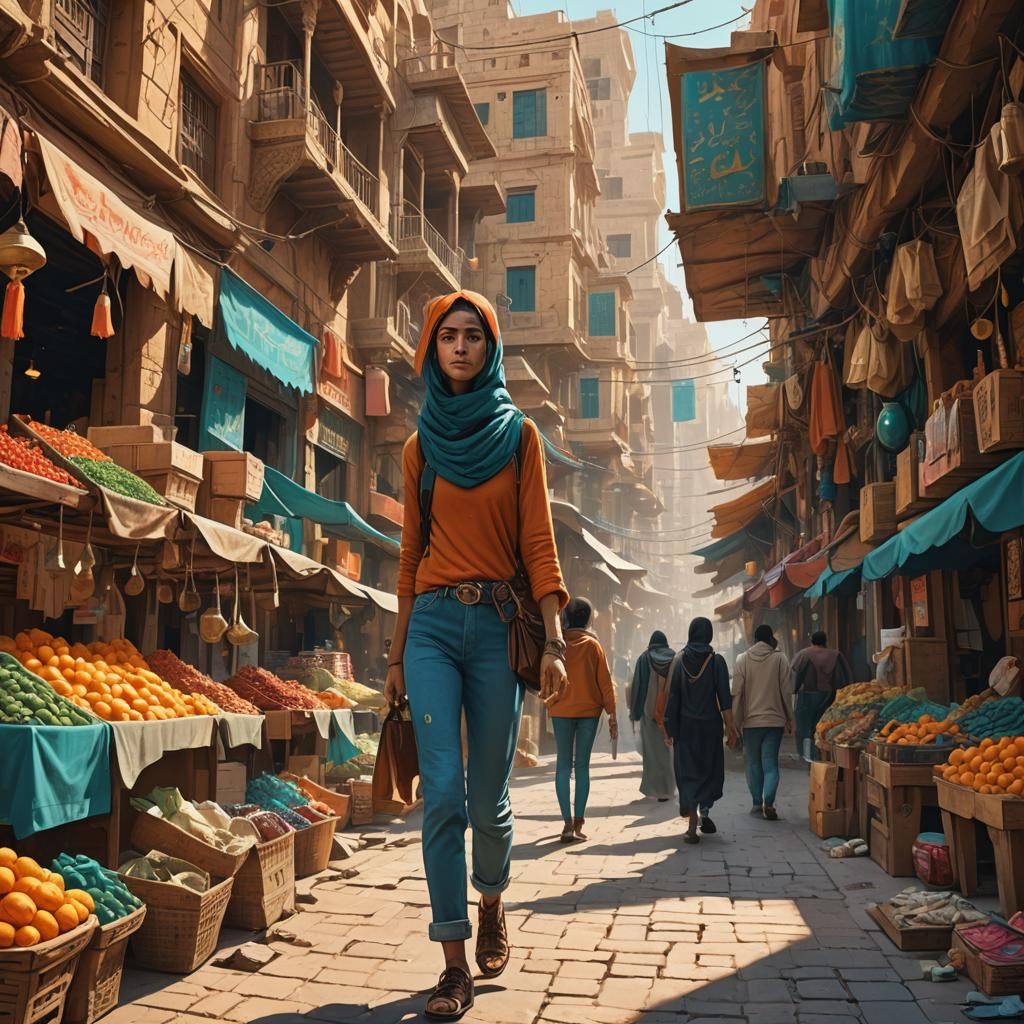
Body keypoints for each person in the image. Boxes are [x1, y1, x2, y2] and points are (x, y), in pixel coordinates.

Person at [385, 291, 570, 1020]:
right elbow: (406, 559)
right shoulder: (417, 447)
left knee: (490, 803)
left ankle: (492, 902)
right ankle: (453, 963)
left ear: (491, 350)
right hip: (431, 627)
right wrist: (396, 657)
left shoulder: (520, 436)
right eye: (448, 336)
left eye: (473, 337)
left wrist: (554, 641)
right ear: (431, 348)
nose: (460, 347)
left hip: (498, 628)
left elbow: (538, 544)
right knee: (443, 797)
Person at [664, 617, 738, 844]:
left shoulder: (679, 660)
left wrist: (669, 728)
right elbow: (725, 700)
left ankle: (692, 822)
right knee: (708, 769)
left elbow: (673, 698)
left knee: (688, 772)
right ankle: (704, 812)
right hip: (710, 727)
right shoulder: (717, 662)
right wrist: (731, 728)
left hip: (686, 728)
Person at [549, 597, 617, 842]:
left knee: (563, 765)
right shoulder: (593, 646)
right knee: (582, 767)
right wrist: (612, 713)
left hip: (560, 711)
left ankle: (566, 823)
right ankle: (578, 822)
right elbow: (605, 682)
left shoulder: (557, 646)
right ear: (589, 619)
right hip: (589, 712)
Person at [732, 624, 793, 820]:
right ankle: (769, 801)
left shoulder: (742, 660)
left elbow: (737, 694)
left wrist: (734, 723)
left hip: (750, 723)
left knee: (753, 764)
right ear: (770, 639)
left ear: (753, 639)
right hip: (774, 721)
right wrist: (790, 718)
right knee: (770, 763)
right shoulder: (780, 659)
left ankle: (757, 804)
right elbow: (786, 692)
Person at [629, 630, 676, 802]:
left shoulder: (644, 658)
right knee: (670, 751)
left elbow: (638, 687)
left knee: (652, 753)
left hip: (649, 713)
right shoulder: (674, 657)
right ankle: (670, 786)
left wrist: (635, 712)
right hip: (671, 713)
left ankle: (657, 789)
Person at [791, 630, 851, 762]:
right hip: (830, 696)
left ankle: (808, 756)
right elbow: (846, 676)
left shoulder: (804, 654)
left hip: (808, 695)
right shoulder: (836, 655)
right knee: (827, 726)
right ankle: (825, 755)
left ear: (812, 640)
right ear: (825, 641)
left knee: (806, 727)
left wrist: (794, 692)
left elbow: (798, 674)